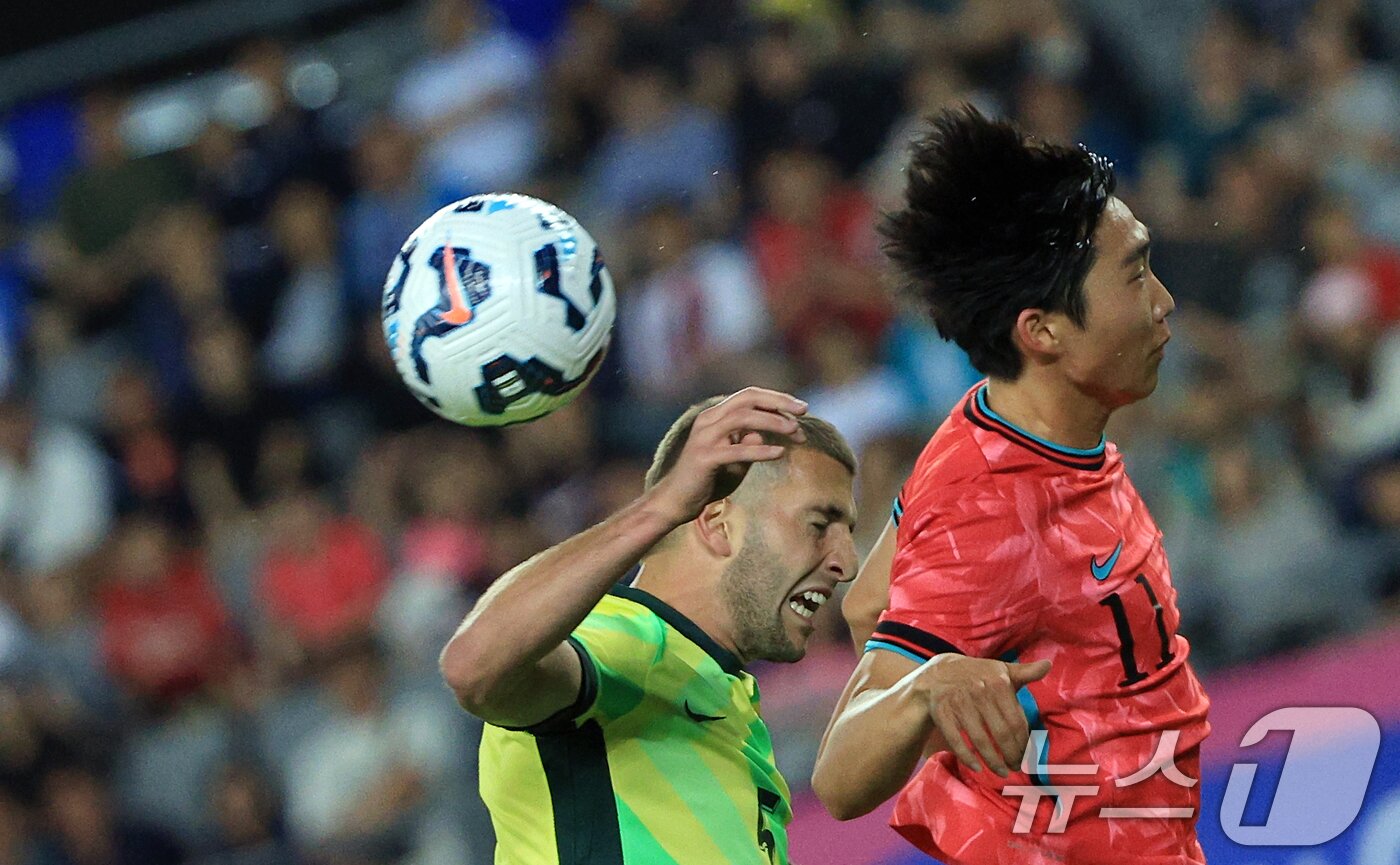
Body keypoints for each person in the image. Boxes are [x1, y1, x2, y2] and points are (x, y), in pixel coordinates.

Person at [812, 106, 1210, 865]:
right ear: (1043, 331)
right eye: (1134, 274)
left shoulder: (999, 428)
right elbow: (838, 776)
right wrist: (935, 686)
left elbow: (870, 601)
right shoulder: (992, 507)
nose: (1162, 301)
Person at [440, 388, 858, 864]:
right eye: (820, 525)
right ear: (717, 521)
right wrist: (660, 508)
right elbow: (472, 666)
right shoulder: (622, 639)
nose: (846, 562)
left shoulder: (732, 702)